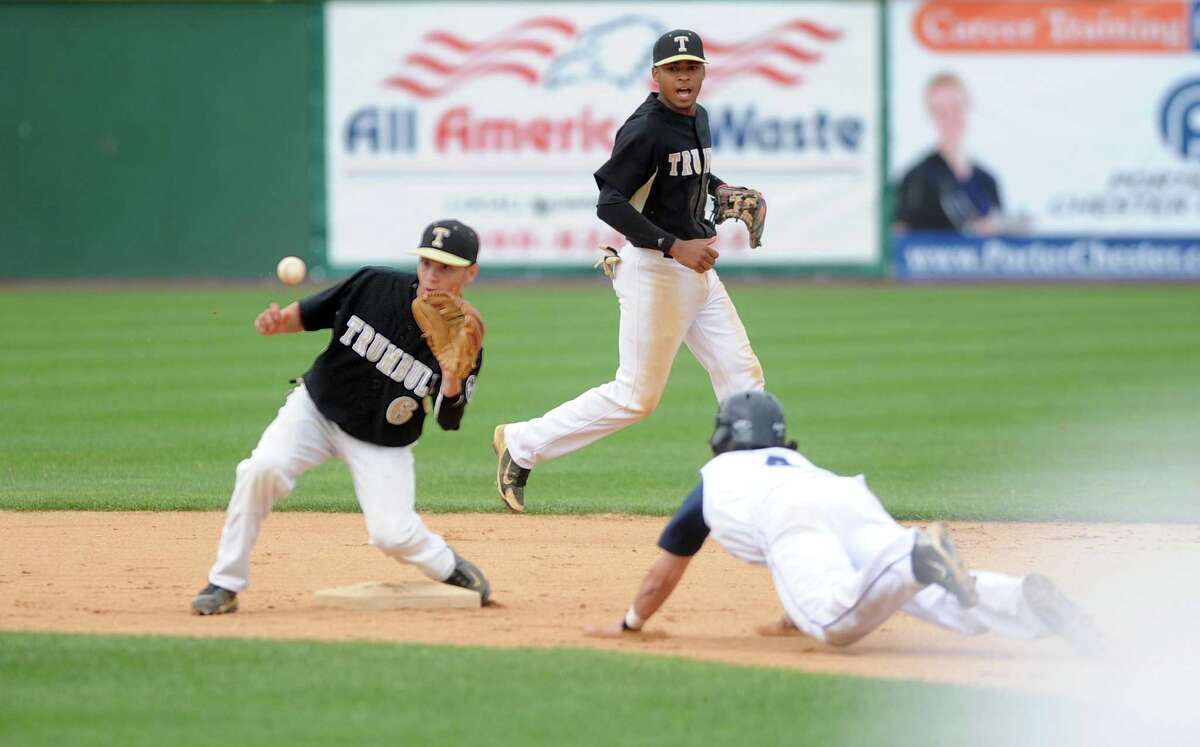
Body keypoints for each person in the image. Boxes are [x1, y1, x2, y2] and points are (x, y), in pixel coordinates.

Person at [493, 29, 765, 512]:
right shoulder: (645, 130)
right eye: (674, 69)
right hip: (655, 270)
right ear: (656, 75)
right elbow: (610, 201)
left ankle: (753, 485)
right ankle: (521, 443)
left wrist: (719, 189)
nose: (684, 76)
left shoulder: (698, 117)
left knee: (742, 376)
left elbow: (690, 175)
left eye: (692, 67)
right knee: (636, 396)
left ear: (703, 72)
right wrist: (673, 245)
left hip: (697, 268)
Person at [588, 391, 1095, 650]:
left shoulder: (715, 479)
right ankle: (1023, 600)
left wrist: (632, 623)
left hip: (791, 514)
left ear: (723, 435)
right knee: (932, 596)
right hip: (845, 494)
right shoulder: (793, 461)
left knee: (832, 623)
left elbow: (662, 575)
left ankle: (915, 556)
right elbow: (810, 552)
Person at [191, 219, 491, 615]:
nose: (432, 275)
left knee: (392, 535)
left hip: (382, 438)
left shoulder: (463, 337)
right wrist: (279, 323)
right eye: (426, 263)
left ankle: (448, 565)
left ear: (470, 273)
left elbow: (449, 420)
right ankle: (224, 582)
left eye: (445, 268)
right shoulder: (374, 285)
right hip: (317, 410)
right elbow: (308, 313)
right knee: (261, 469)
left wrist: (451, 381)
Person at [894, 72, 1005, 235]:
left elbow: (1000, 235)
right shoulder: (915, 180)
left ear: (969, 107)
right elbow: (899, 235)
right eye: (941, 111)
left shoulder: (987, 181)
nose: (950, 117)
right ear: (931, 115)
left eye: (956, 107)